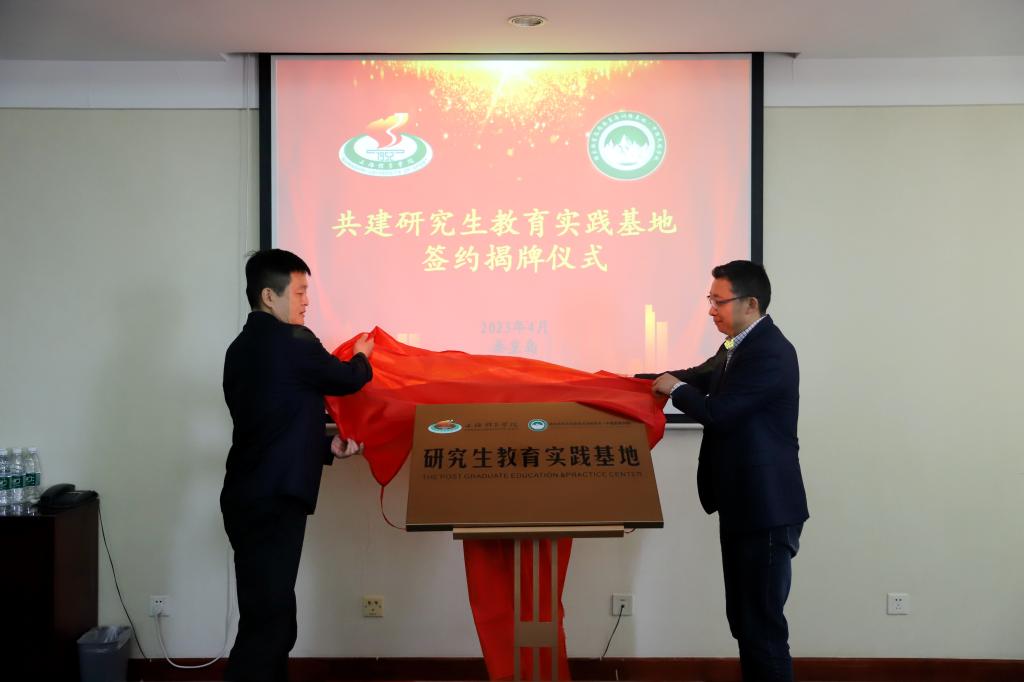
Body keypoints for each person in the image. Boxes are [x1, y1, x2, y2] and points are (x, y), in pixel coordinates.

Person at [643, 260, 808, 682]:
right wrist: (634, 383)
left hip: (766, 509)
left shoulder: (771, 352)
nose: (711, 310)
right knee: (745, 622)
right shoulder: (737, 345)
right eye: (710, 300)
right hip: (742, 506)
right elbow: (697, 377)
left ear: (750, 303)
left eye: (719, 301)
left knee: (762, 626)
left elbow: (721, 412)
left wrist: (675, 389)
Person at [220, 249, 374, 681]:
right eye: (300, 292)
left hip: (247, 495)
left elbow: (270, 421)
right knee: (269, 621)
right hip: (274, 500)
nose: (307, 302)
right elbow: (348, 379)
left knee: (269, 612)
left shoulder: (238, 350)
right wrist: (363, 355)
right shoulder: (293, 341)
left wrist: (327, 448)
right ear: (269, 296)